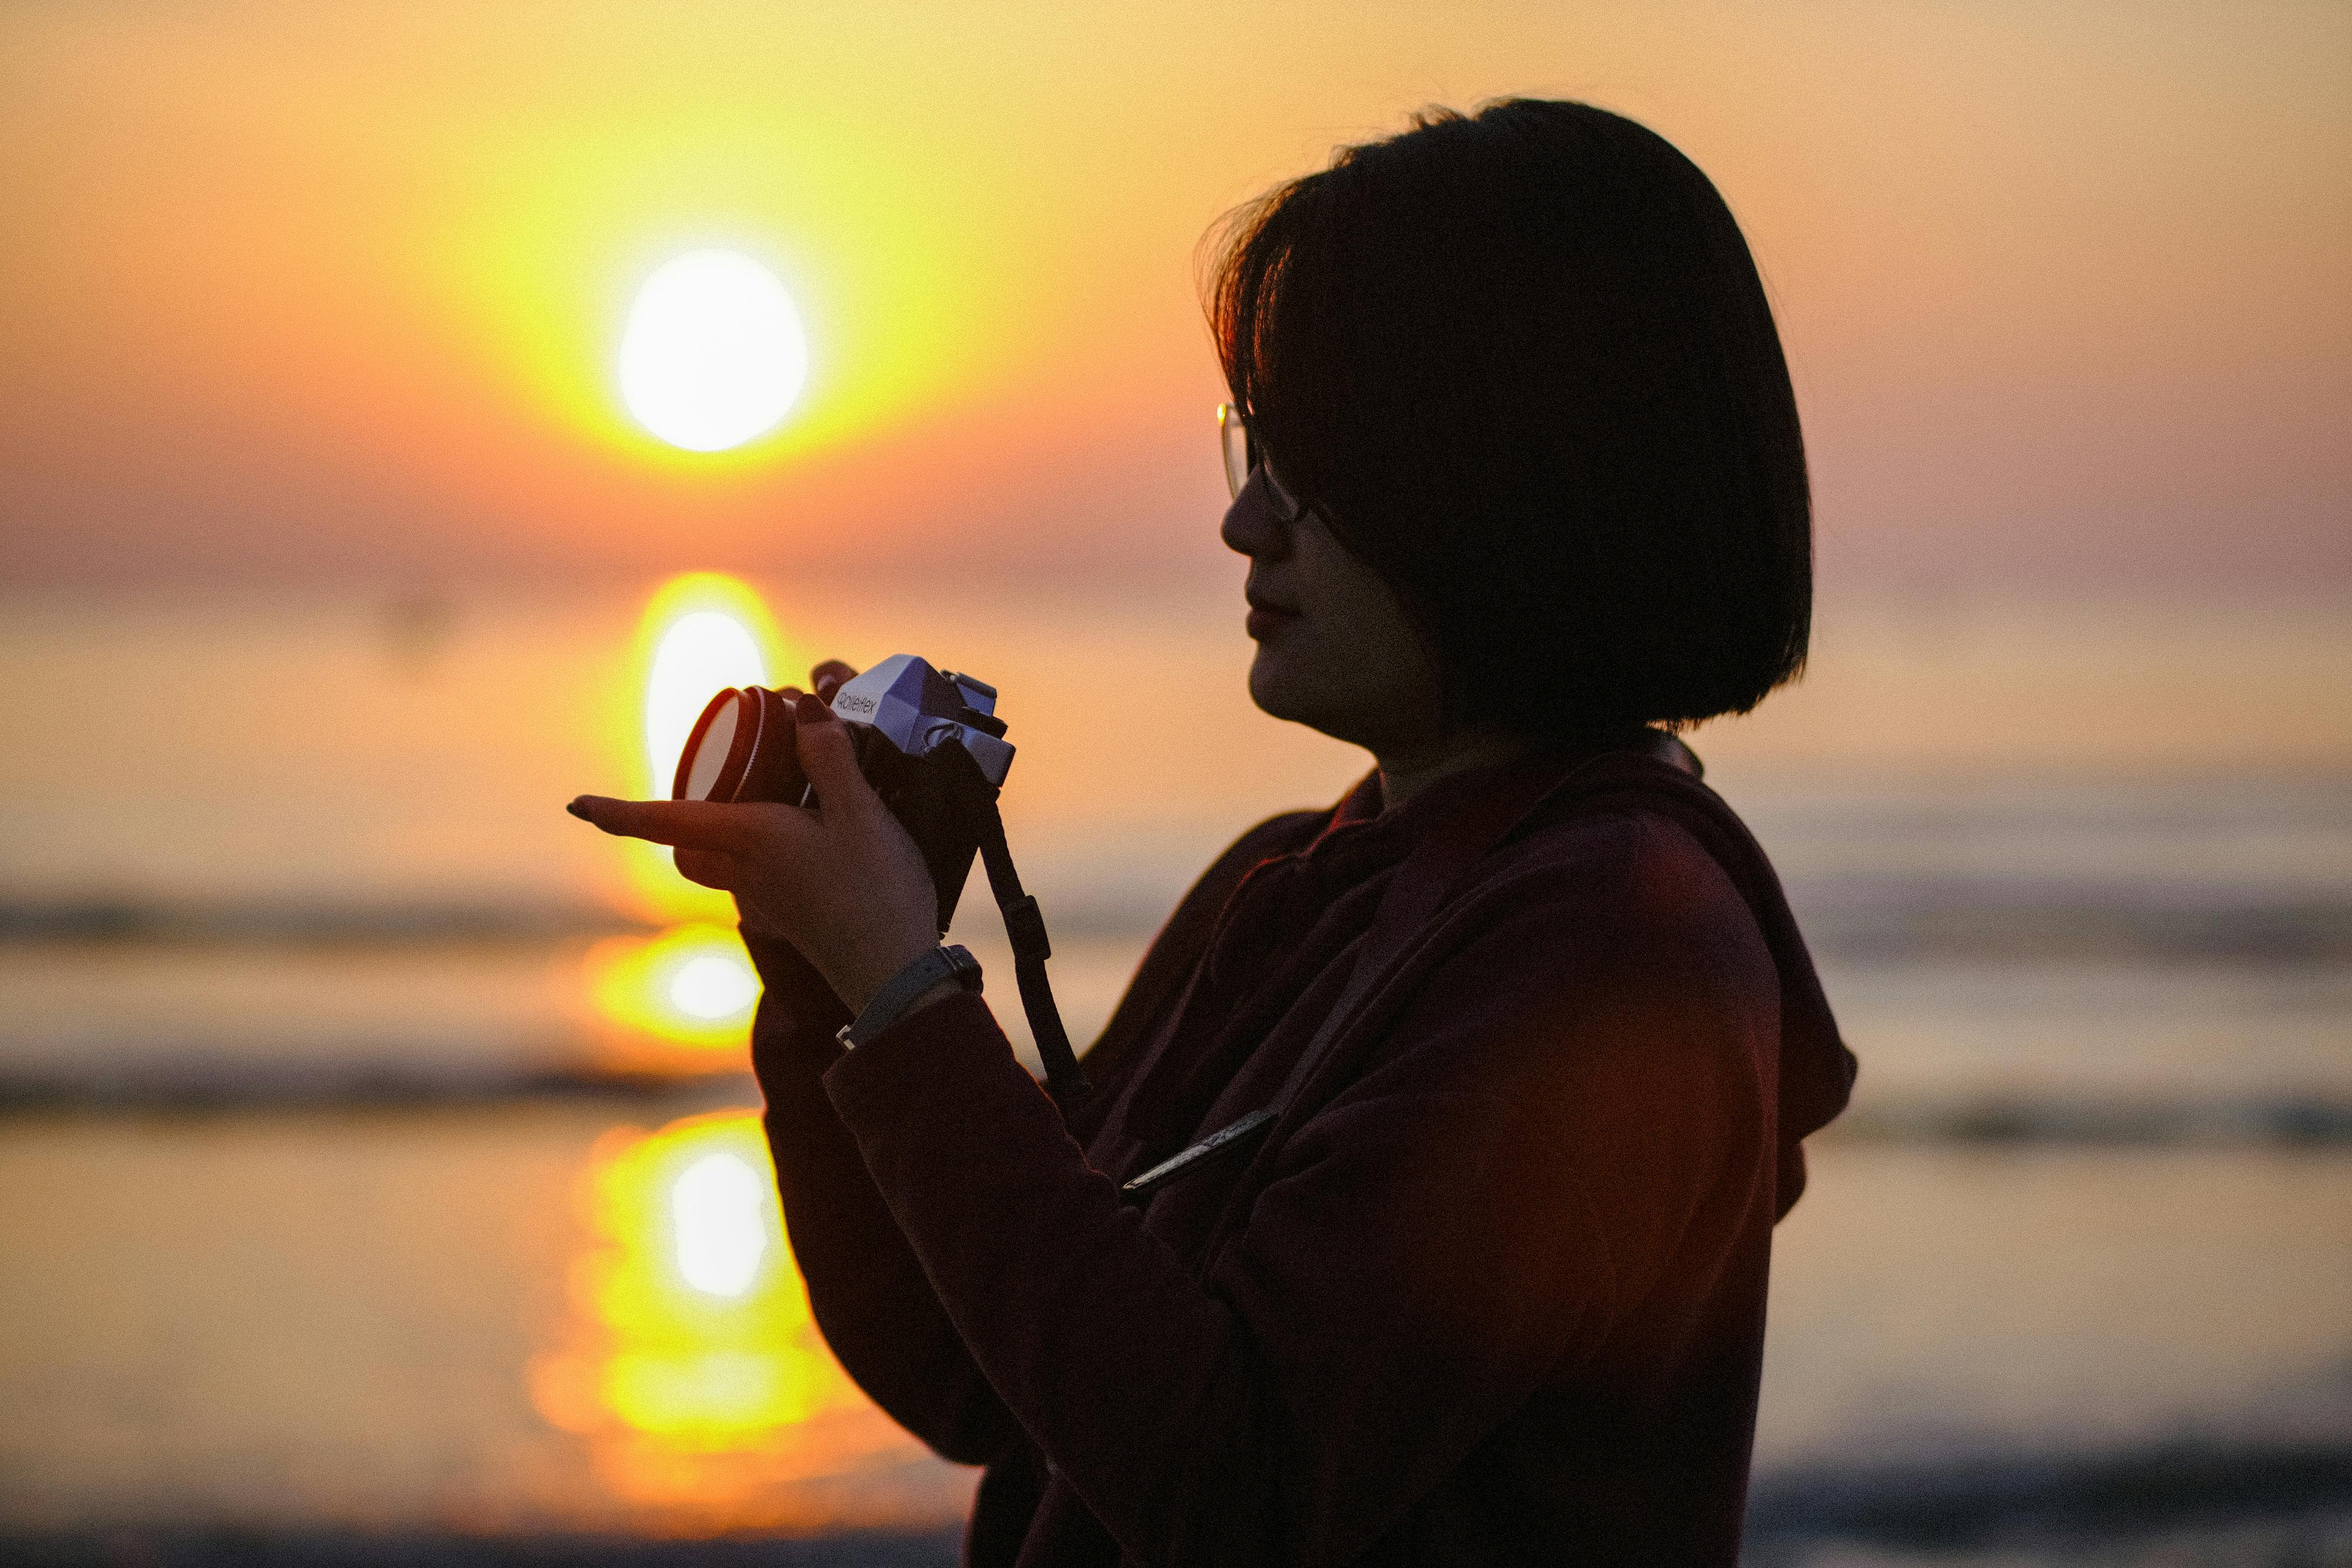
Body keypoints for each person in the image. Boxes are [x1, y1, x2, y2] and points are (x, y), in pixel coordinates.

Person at [569, 98, 1855, 1567]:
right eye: (1251, 443)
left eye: (1313, 463)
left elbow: (1234, 1486)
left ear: (1513, 471)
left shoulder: (1611, 947)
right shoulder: (1300, 880)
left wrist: (902, 997)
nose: (1248, 523)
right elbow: (975, 1372)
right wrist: (821, 981)